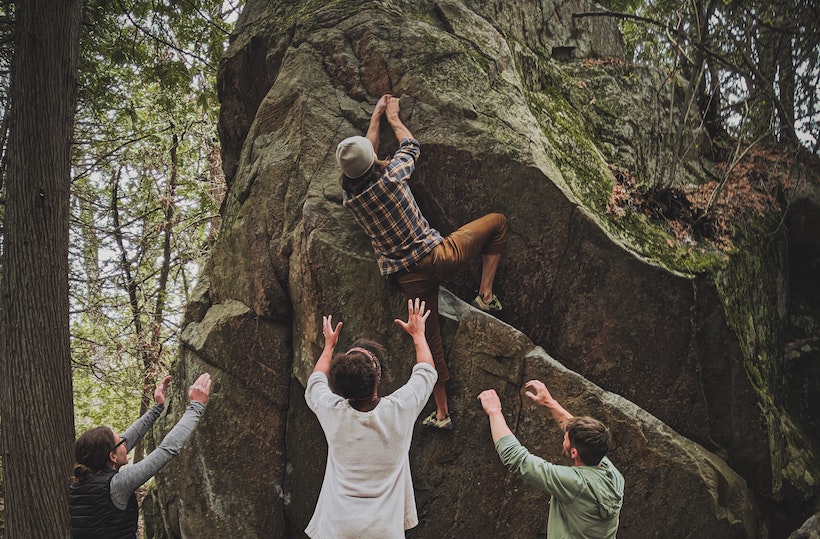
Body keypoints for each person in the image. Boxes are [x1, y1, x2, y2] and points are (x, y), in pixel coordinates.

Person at [337, 93, 508, 429]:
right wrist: (393, 119)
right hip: (438, 256)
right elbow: (411, 146)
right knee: (498, 222)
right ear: (372, 160)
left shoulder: (351, 199)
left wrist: (374, 121)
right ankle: (485, 295)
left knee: (429, 341)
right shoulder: (393, 176)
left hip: (407, 276)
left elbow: (365, 160)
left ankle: (443, 413)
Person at [304, 298, 438, 538]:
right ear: (378, 379)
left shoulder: (331, 411)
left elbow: (315, 382)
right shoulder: (399, 410)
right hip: (383, 529)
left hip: (336, 527)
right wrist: (418, 334)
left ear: (339, 386)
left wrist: (328, 346)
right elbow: (426, 372)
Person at [69, 373, 212, 538]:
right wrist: (196, 405)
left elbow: (127, 440)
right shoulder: (116, 485)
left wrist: (157, 408)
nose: (126, 443)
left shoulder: (81, 483)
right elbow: (167, 449)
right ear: (112, 457)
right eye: (121, 443)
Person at [478, 380, 624, 538]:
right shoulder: (613, 475)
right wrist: (549, 402)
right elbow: (578, 433)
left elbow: (516, 458)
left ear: (574, 453)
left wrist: (494, 411)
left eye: (566, 438)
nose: (564, 435)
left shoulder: (575, 484)